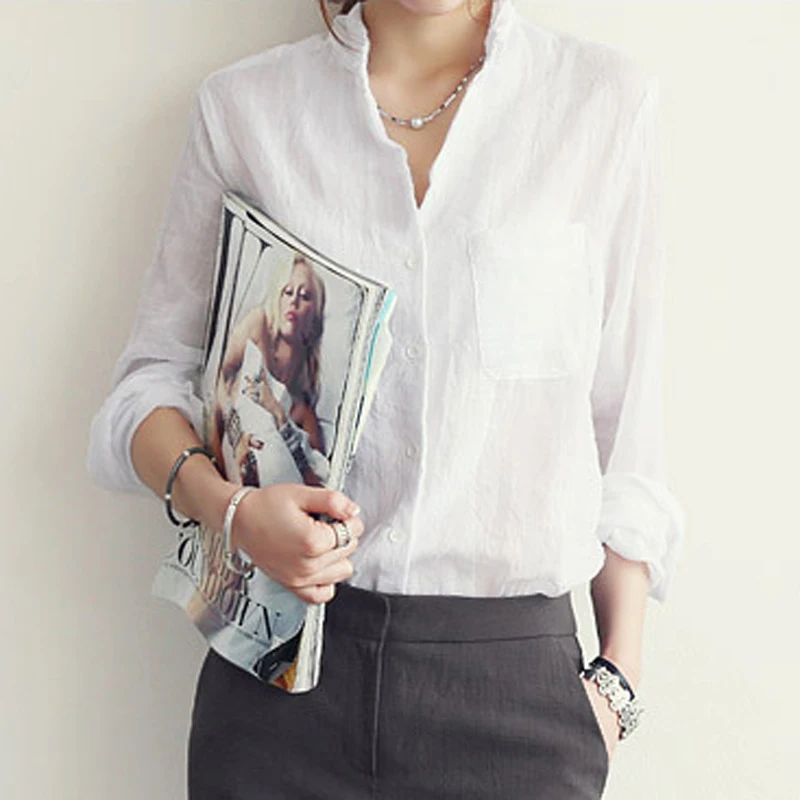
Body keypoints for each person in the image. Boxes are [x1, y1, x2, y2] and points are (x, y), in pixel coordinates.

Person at [86, 1, 685, 798]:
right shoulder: (246, 111)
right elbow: (147, 385)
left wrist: (616, 681)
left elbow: (626, 433)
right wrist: (232, 512)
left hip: (517, 700)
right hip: (277, 689)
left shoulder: (600, 103)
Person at [211, 253, 330, 488]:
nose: (294, 301)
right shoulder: (257, 327)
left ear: (315, 318)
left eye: (305, 296)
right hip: (216, 475)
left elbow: (318, 485)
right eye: (288, 292)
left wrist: (279, 415)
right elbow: (217, 378)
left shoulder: (303, 411)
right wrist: (237, 438)